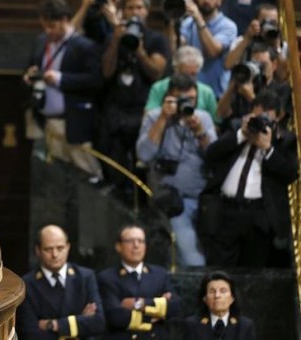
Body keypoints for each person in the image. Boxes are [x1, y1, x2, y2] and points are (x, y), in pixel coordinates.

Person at [203, 89, 298, 267]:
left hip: (259, 215)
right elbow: (211, 154)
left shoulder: (286, 141)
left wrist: (268, 148)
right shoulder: (235, 130)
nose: (260, 122)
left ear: (278, 116)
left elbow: (289, 174)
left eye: (266, 118)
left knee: (254, 268)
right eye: (256, 117)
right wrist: (241, 135)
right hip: (226, 210)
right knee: (220, 265)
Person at [136, 74, 217, 267]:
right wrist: (164, 118)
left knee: (197, 254)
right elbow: (144, 154)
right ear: (169, 97)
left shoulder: (202, 117)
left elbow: (214, 157)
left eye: (191, 99)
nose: (187, 104)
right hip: (173, 200)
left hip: (202, 198)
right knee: (192, 258)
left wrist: (200, 132)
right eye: (182, 100)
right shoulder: (155, 117)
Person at [23, 0, 104, 182]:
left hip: (73, 121)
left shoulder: (84, 46)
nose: (48, 31)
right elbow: (31, 66)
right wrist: (29, 75)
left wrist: (61, 79)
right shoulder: (41, 42)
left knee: (86, 176)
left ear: (65, 20)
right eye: (44, 27)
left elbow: (95, 80)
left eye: (52, 26)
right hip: (45, 122)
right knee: (54, 180)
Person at [97, 0, 170, 194]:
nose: (135, 12)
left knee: (140, 165)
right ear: (123, 11)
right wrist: (115, 41)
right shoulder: (112, 37)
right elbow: (106, 71)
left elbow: (157, 72)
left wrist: (140, 51)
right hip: (116, 109)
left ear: (146, 11)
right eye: (130, 8)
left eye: (139, 7)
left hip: (142, 109)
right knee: (113, 162)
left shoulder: (156, 39)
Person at [16, 225, 105, 339]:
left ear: (68, 247)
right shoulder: (26, 284)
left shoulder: (86, 277)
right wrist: (81, 321)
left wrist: (53, 324)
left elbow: (98, 323)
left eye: (60, 248)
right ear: (38, 250)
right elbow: (31, 334)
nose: (55, 255)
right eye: (48, 249)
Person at [97, 224, 181, 339]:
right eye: (130, 241)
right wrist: (156, 313)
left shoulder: (160, 274)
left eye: (141, 241)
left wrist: (140, 304)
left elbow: (175, 306)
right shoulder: (107, 277)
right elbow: (115, 316)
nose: (136, 245)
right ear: (118, 246)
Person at [217, 42, 291, 132]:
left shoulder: (282, 89)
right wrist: (233, 84)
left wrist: (252, 98)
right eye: (254, 64)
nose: (258, 69)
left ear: (274, 65)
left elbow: (276, 117)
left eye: (263, 65)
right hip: (235, 133)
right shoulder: (243, 85)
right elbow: (221, 113)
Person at [145, 46, 218, 124]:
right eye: (185, 74)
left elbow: (216, 122)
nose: (189, 78)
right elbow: (147, 118)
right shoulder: (159, 88)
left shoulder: (206, 92)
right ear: (176, 69)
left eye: (193, 74)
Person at [179, 0, 237, 98]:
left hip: (215, 94)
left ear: (219, 2)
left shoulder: (228, 26)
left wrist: (199, 19)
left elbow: (213, 51)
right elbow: (178, 49)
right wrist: (171, 22)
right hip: (188, 91)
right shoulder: (188, 23)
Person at [223, 3, 288, 82]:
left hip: (271, 91)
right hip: (245, 86)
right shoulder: (241, 41)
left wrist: (277, 48)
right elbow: (227, 65)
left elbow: (282, 76)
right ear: (256, 21)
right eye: (265, 22)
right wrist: (247, 38)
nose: (269, 26)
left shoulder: (282, 46)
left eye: (273, 23)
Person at [184, 271, 256, 339]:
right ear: (205, 298)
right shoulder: (193, 325)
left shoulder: (244, 326)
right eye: (212, 291)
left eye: (223, 291)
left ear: (232, 298)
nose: (217, 296)